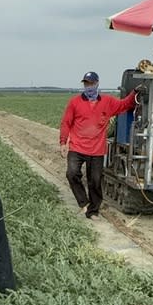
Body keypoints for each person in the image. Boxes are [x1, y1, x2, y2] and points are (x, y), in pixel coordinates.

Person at [59, 71, 139, 220]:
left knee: (95, 180)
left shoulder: (107, 102)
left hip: (96, 149)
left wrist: (135, 92)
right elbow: (66, 123)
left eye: (91, 84)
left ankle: (93, 211)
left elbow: (124, 104)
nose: (88, 87)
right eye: (86, 84)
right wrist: (63, 142)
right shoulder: (75, 102)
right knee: (72, 173)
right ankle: (84, 202)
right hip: (77, 146)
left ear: (97, 84)